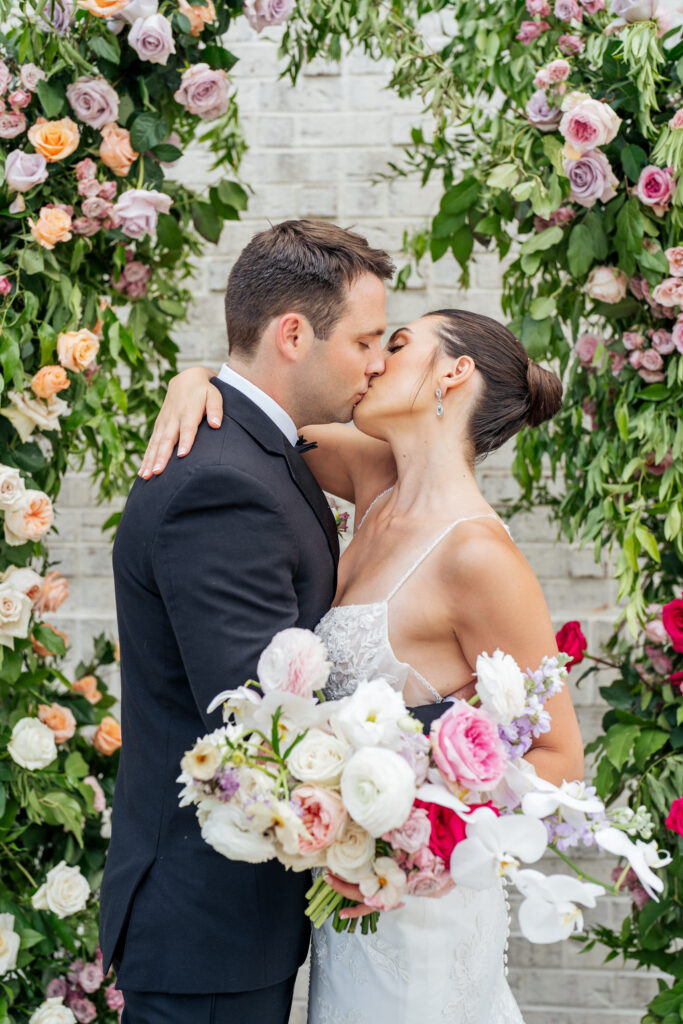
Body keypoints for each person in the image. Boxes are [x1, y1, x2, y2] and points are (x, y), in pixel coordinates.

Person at [141, 306, 584, 1023]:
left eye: (398, 344)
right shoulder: (373, 478)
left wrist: (416, 847)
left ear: (454, 372)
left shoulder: (478, 557)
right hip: (344, 912)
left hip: (418, 911)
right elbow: (259, 415)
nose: (374, 361)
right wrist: (193, 380)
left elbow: (562, 755)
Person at [100, 219, 427, 1024]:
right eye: (364, 341)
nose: (377, 362)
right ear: (291, 334)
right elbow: (262, 724)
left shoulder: (262, 447)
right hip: (208, 930)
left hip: (232, 925)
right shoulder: (223, 482)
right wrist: (454, 727)